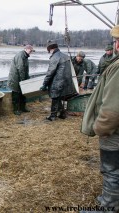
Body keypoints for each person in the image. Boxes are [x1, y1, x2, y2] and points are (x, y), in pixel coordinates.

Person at [81, 25, 119, 213]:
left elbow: (112, 110)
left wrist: (100, 128)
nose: (116, 45)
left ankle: (109, 208)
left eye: (117, 41)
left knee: (111, 170)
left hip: (114, 133)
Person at [40, 40, 77, 121]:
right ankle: (62, 113)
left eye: (49, 50)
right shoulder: (66, 56)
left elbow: (50, 72)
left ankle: (53, 116)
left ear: (51, 49)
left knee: (55, 98)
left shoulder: (55, 57)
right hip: (67, 82)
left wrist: (44, 84)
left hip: (58, 82)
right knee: (60, 98)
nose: (49, 52)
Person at [7, 45, 35, 115]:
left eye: (32, 51)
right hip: (15, 79)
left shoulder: (25, 56)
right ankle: (16, 110)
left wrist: (27, 79)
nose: (31, 52)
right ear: (26, 49)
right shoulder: (20, 56)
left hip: (21, 78)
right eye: (30, 50)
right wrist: (23, 81)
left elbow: (25, 70)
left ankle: (23, 108)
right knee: (16, 94)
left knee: (23, 94)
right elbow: (21, 69)